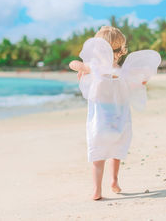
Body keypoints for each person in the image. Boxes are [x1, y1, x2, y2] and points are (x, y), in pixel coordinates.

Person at [69, 26, 161, 200]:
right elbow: (137, 83)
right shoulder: (123, 72)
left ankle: (97, 190)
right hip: (120, 121)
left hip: (100, 122)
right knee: (116, 152)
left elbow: (73, 64)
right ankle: (114, 181)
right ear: (121, 50)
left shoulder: (95, 68)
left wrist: (82, 67)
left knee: (98, 156)